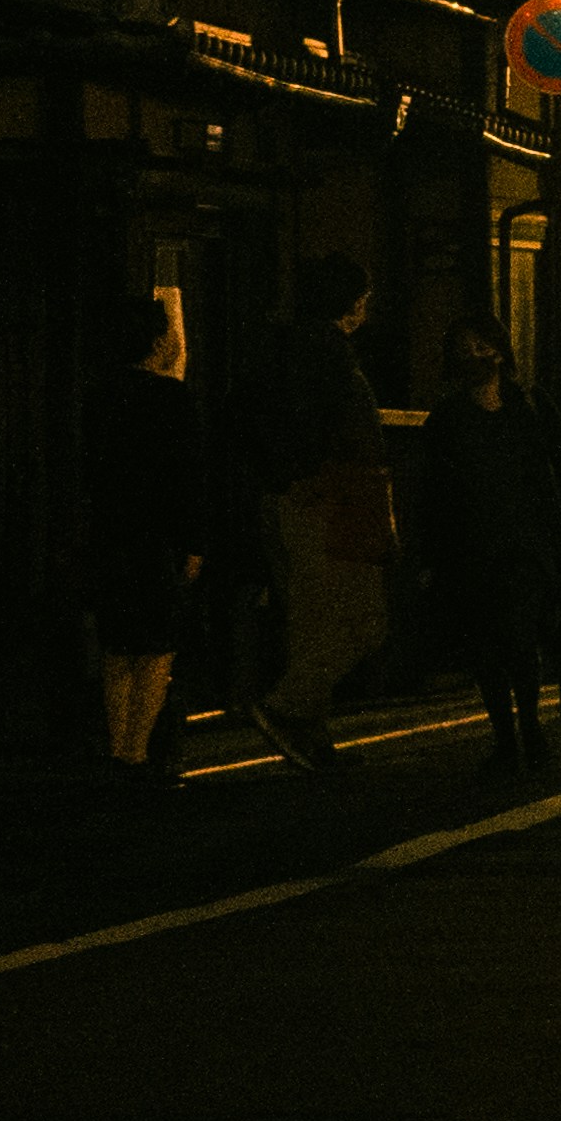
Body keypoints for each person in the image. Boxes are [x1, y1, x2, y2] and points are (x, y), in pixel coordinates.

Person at [412, 317, 561, 769]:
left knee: (520, 634)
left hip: (526, 541)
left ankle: (527, 727)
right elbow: (431, 490)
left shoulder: (529, 404)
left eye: (481, 346)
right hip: (470, 545)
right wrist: (427, 555)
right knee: (485, 643)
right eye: (465, 348)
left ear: (498, 351)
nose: (474, 356)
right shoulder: (447, 419)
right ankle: (507, 736)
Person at [253, 251, 393, 771]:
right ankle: (286, 707)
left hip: (294, 497)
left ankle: (311, 733)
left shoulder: (280, 351)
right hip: (332, 498)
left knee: (311, 622)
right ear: (352, 302)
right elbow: (344, 431)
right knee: (363, 619)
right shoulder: (331, 358)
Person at [86, 289, 206, 783]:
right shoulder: (172, 399)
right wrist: (194, 542)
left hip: (110, 531)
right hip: (157, 537)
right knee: (157, 647)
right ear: (157, 342)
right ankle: (137, 750)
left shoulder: (99, 397)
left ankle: (118, 748)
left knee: (118, 646)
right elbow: (187, 478)